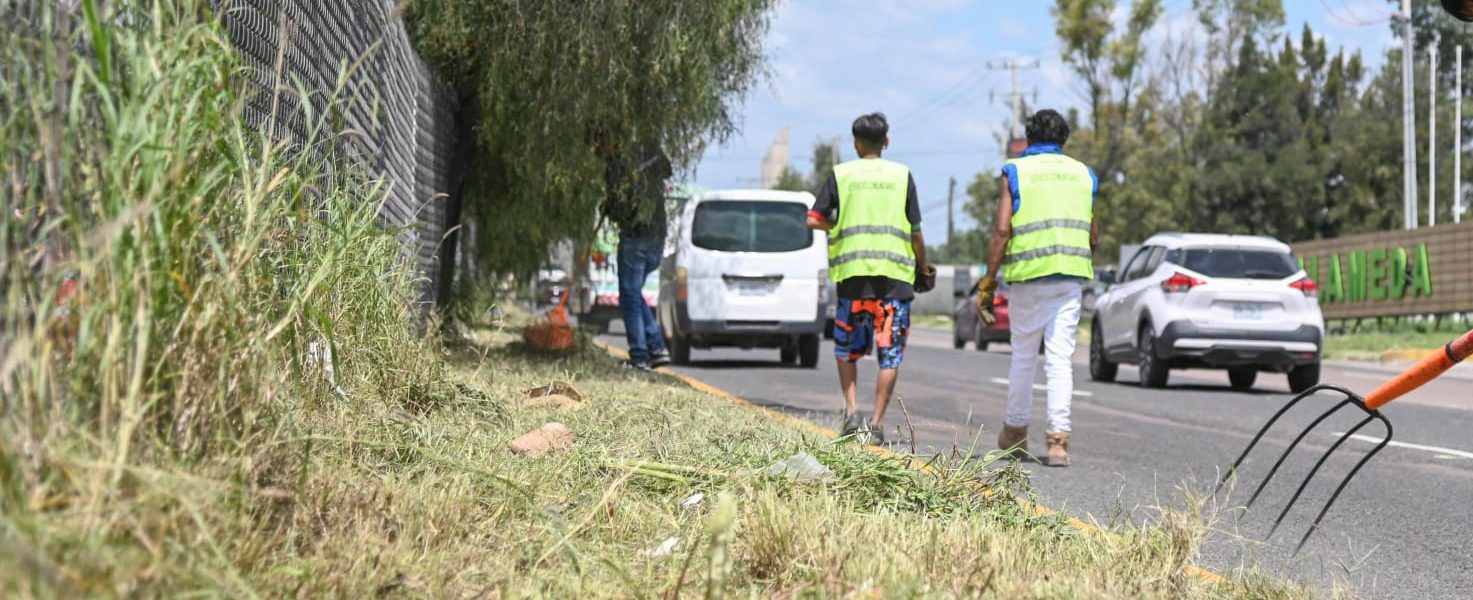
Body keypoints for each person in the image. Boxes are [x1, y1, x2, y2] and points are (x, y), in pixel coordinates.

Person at [976, 109, 1099, 467]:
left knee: (1024, 357)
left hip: (1029, 278)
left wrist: (988, 281)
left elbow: (1001, 231)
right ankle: (1058, 443)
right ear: (1064, 140)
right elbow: (1093, 234)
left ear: (1028, 138)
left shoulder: (1016, 171)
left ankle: (1014, 435)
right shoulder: (1083, 174)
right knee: (1060, 360)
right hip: (1069, 278)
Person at [806, 113, 930, 445]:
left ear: (856, 142)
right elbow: (916, 233)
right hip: (894, 283)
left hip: (853, 281)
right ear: (886, 141)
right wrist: (924, 267)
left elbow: (813, 218)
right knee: (889, 353)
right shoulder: (902, 176)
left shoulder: (842, 175)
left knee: (847, 350)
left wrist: (838, 227)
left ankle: (850, 414)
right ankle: (875, 424)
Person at [602, 142, 673, 371]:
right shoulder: (649, 152)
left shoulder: (617, 163)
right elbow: (667, 170)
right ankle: (655, 347)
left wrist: (609, 206)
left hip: (636, 236)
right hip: (657, 236)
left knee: (630, 297)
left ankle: (641, 356)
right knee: (633, 294)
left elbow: (619, 206)